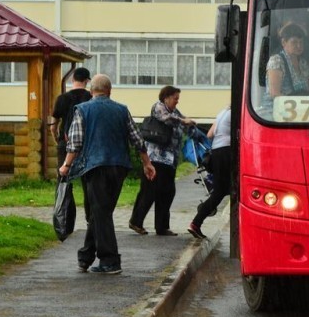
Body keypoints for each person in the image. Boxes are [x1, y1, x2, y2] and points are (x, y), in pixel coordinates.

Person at [59, 74, 156, 275]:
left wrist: (66, 165)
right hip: (119, 166)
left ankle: (110, 261)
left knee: (100, 212)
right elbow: (137, 139)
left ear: (91, 91)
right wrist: (147, 163)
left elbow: (75, 142)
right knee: (101, 212)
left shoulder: (83, 110)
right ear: (109, 91)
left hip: (95, 166)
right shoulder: (122, 110)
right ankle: (85, 256)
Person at [129, 85, 197, 237]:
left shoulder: (175, 113)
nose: (177, 102)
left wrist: (192, 127)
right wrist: (184, 121)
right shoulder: (158, 107)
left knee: (167, 192)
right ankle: (136, 221)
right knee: (149, 191)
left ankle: (162, 227)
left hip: (169, 160)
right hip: (154, 158)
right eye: (175, 98)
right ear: (166, 97)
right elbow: (167, 119)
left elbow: (182, 124)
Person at [50, 67, 92, 223]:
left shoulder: (62, 98)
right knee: (88, 182)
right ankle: (90, 218)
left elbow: (53, 126)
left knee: (63, 179)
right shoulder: (90, 97)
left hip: (66, 144)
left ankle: (62, 217)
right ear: (87, 81)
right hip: (86, 145)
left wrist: (57, 139)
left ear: (73, 79)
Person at [187, 106, 231, 240]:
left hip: (216, 153)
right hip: (227, 152)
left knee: (220, 192)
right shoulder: (237, 112)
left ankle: (196, 223)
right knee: (228, 190)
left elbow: (210, 135)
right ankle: (196, 221)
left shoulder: (222, 113)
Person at [265, 22, 309, 105]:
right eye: (294, 42)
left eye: (301, 42)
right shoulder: (276, 61)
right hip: (275, 111)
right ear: (284, 42)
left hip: (298, 111)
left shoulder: (304, 63)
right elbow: (275, 94)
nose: (299, 46)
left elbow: (306, 92)